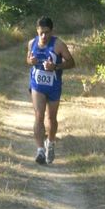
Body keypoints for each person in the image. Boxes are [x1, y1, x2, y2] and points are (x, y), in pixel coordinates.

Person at [26, 16, 75, 164]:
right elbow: (28, 59)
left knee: (51, 119)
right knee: (39, 115)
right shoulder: (32, 43)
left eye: (46, 32)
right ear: (37, 30)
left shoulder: (58, 44)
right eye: (41, 32)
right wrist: (31, 61)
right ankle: (40, 150)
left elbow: (72, 62)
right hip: (37, 85)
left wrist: (56, 67)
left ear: (51, 32)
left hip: (54, 86)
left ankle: (51, 143)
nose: (43, 36)